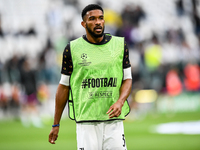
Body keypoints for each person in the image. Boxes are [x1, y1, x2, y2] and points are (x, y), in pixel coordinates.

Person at [48, 4, 132, 150]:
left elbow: (127, 79)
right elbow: (63, 86)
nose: (98, 22)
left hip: (113, 121)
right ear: (83, 24)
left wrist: (120, 101)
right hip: (86, 123)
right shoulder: (72, 49)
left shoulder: (120, 45)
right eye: (92, 19)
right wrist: (56, 123)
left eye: (101, 18)